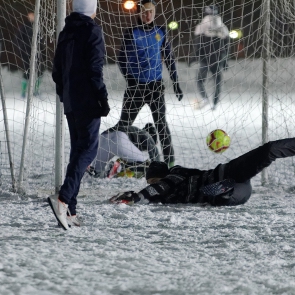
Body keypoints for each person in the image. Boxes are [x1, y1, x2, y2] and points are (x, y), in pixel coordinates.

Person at [48, 0, 110, 230]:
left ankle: (70, 209)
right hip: (87, 100)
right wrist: (101, 98)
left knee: (77, 152)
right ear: (92, 9)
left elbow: (56, 71)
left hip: (71, 101)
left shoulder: (66, 32)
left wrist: (65, 94)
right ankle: (63, 198)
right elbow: (95, 68)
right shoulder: (92, 31)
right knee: (88, 150)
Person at [110, 138, 295, 206]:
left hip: (229, 172)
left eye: (153, 180)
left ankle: (222, 188)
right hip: (236, 193)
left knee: (269, 150)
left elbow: (161, 187)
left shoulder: (176, 173)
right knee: (213, 196)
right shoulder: (163, 197)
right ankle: (222, 190)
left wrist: (136, 197)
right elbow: (157, 192)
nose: (152, 184)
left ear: (161, 175)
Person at [114, 0, 183, 168]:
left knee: (161, 125)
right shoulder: (131, 33)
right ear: (139, 13)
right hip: (135, 87)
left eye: (151, 12)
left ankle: (169, 161)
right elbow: (122, 58)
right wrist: (128, 77)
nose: (148, 15)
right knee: (123, 126)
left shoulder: (160, 32)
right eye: (145, 12)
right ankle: (121, 157)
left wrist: (176, 82)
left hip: (155, 87)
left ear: (154, 12)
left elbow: (169, 58)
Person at [191, 5, 229, 110]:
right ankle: (215, 103)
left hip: (205, 59)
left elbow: (198, 44)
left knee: (199, 80)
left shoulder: (201, 26)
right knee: (217, 82)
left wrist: (194, 57)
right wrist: (225, 61)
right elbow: (226, 46)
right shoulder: (223, 27)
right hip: (218, 59)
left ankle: (205, 99)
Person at [87, 123, 160, 178]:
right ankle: (120, 167)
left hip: (103, 138)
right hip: (119, 138)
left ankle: (111, 169)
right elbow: (156, 161)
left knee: (97, 175)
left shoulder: (136, 131)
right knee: (147, 165)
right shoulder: (148, 136)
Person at [15, 12, 45, 98]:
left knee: (40, 71)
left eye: (34, 15)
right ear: (28, 16)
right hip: (26, 53)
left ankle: (36, 90)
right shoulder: (23, 27)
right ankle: (23, 92)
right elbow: (17, 39)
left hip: (37, 53)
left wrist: (42, 50)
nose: (32, 17)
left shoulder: (38, 27)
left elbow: (41, 40)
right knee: (27, 72)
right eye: (31, 15)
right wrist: (22, 49)